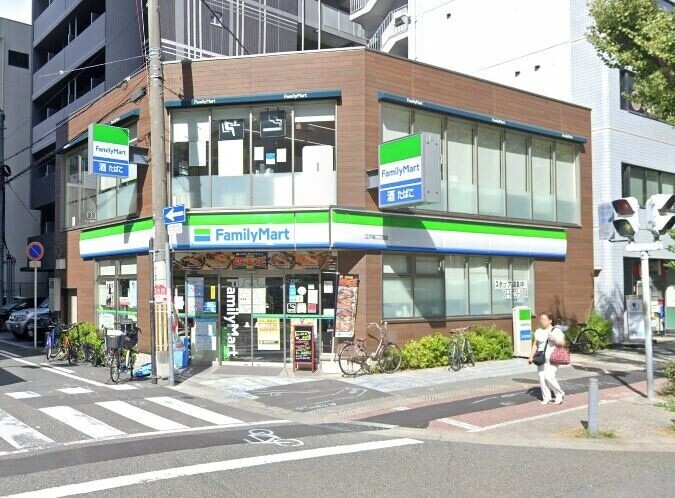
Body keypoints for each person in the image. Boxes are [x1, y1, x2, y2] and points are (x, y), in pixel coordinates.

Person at [528, 312, 566, 405]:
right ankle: (546, 397)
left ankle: (559, 394)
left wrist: (554, 339)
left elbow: (562, 343)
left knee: (549, 377)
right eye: (541, 319)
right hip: (541, 357)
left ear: (550, 320)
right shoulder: (538, 331)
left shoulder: (556, 331)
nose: (542, 321)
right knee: (542, 378)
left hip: (553, 357)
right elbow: (535, 345)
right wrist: (531, 356)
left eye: (544, 319)